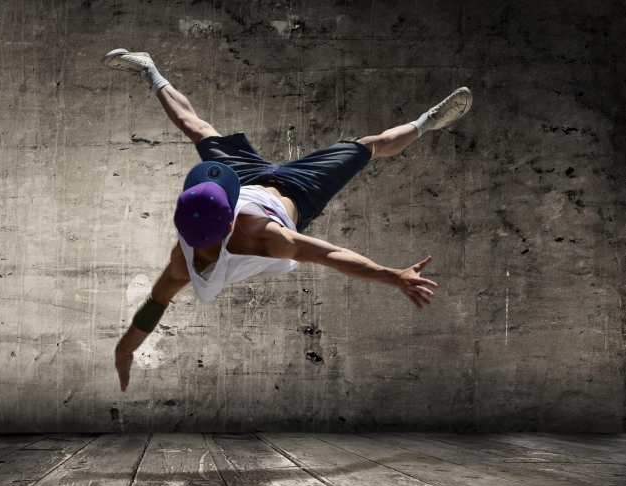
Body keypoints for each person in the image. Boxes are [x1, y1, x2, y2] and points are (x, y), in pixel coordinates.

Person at [102, 48, 472, 392]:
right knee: (368, 145)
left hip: (245, 177)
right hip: (300, 191)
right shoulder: (268, 237)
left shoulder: (185, 256)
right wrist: (393, 276)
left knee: (198, 129)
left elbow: (155, 303)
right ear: (229, 222)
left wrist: (124, 349)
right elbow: (332, 255)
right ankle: (427, 122)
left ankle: (149, 69)